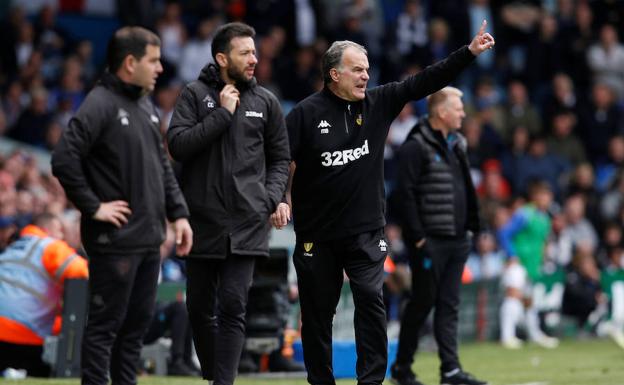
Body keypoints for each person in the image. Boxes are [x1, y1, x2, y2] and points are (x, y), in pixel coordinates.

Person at [271, 20, 495, 385]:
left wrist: (468, 53)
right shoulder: (305, 114)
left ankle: (371, 381)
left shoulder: (379, 102)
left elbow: (425, 81)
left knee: (371, 303)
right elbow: (280, 158)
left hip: (365, 232)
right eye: (357, 70)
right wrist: (280, 197)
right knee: (316, 316)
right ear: (334, 74)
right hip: (317, 234)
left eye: (367, 70)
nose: (365, 76)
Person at [51, 26, 193, 385]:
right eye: (153, 60)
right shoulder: (100, 103)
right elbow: (64, 159)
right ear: (130, 63)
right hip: (114, 242)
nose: (161, 68)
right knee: (105, 329)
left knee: (134, 330)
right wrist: (93, 207)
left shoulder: (144, 105)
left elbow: (162, 165)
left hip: (147, 240)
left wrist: (178, 214)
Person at [166, 22, 290, 385]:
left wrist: (271, 198)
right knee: (200, 308)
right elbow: (178, 145)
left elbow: (280, 158)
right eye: (245, 53)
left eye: (254, 52)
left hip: (248, 221)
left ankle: (223, 383)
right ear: (222, 58)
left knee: (234, 304)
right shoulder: (194, 94)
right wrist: (221, 115)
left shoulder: (267, 101)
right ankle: (213, 377)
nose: (254, 59)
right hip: (202, 220)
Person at [389, 87, 484, 385]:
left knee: (449, 304)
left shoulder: (457, 144)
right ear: (442, 112)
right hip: (429, 241)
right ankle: (402, 368)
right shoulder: (415, 147)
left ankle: (450, 370)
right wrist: (417, 238)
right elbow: (403, 196)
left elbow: (464, 189)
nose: (463, 113)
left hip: (457, 240)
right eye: (458, 108)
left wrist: (471, 227)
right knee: (422, 302)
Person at [0, 213, 88, 377]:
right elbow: (82, 271)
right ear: (47, 230)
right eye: (60, 230)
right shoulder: (50, 246)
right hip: (21, 337)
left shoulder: (13, 248)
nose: (63, 236)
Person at [498, 180, 560, 350]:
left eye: (548, 196)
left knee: (529, 301)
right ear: (535, 197)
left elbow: (541, 242)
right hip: (517, 263)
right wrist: (511, 255)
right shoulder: (525, 214)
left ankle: (534, 334)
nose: (545, 199)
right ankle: (507, 336)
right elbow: (504, 233)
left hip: (532, 265)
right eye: (542, 195)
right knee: (513, 295)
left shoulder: (545, 219)